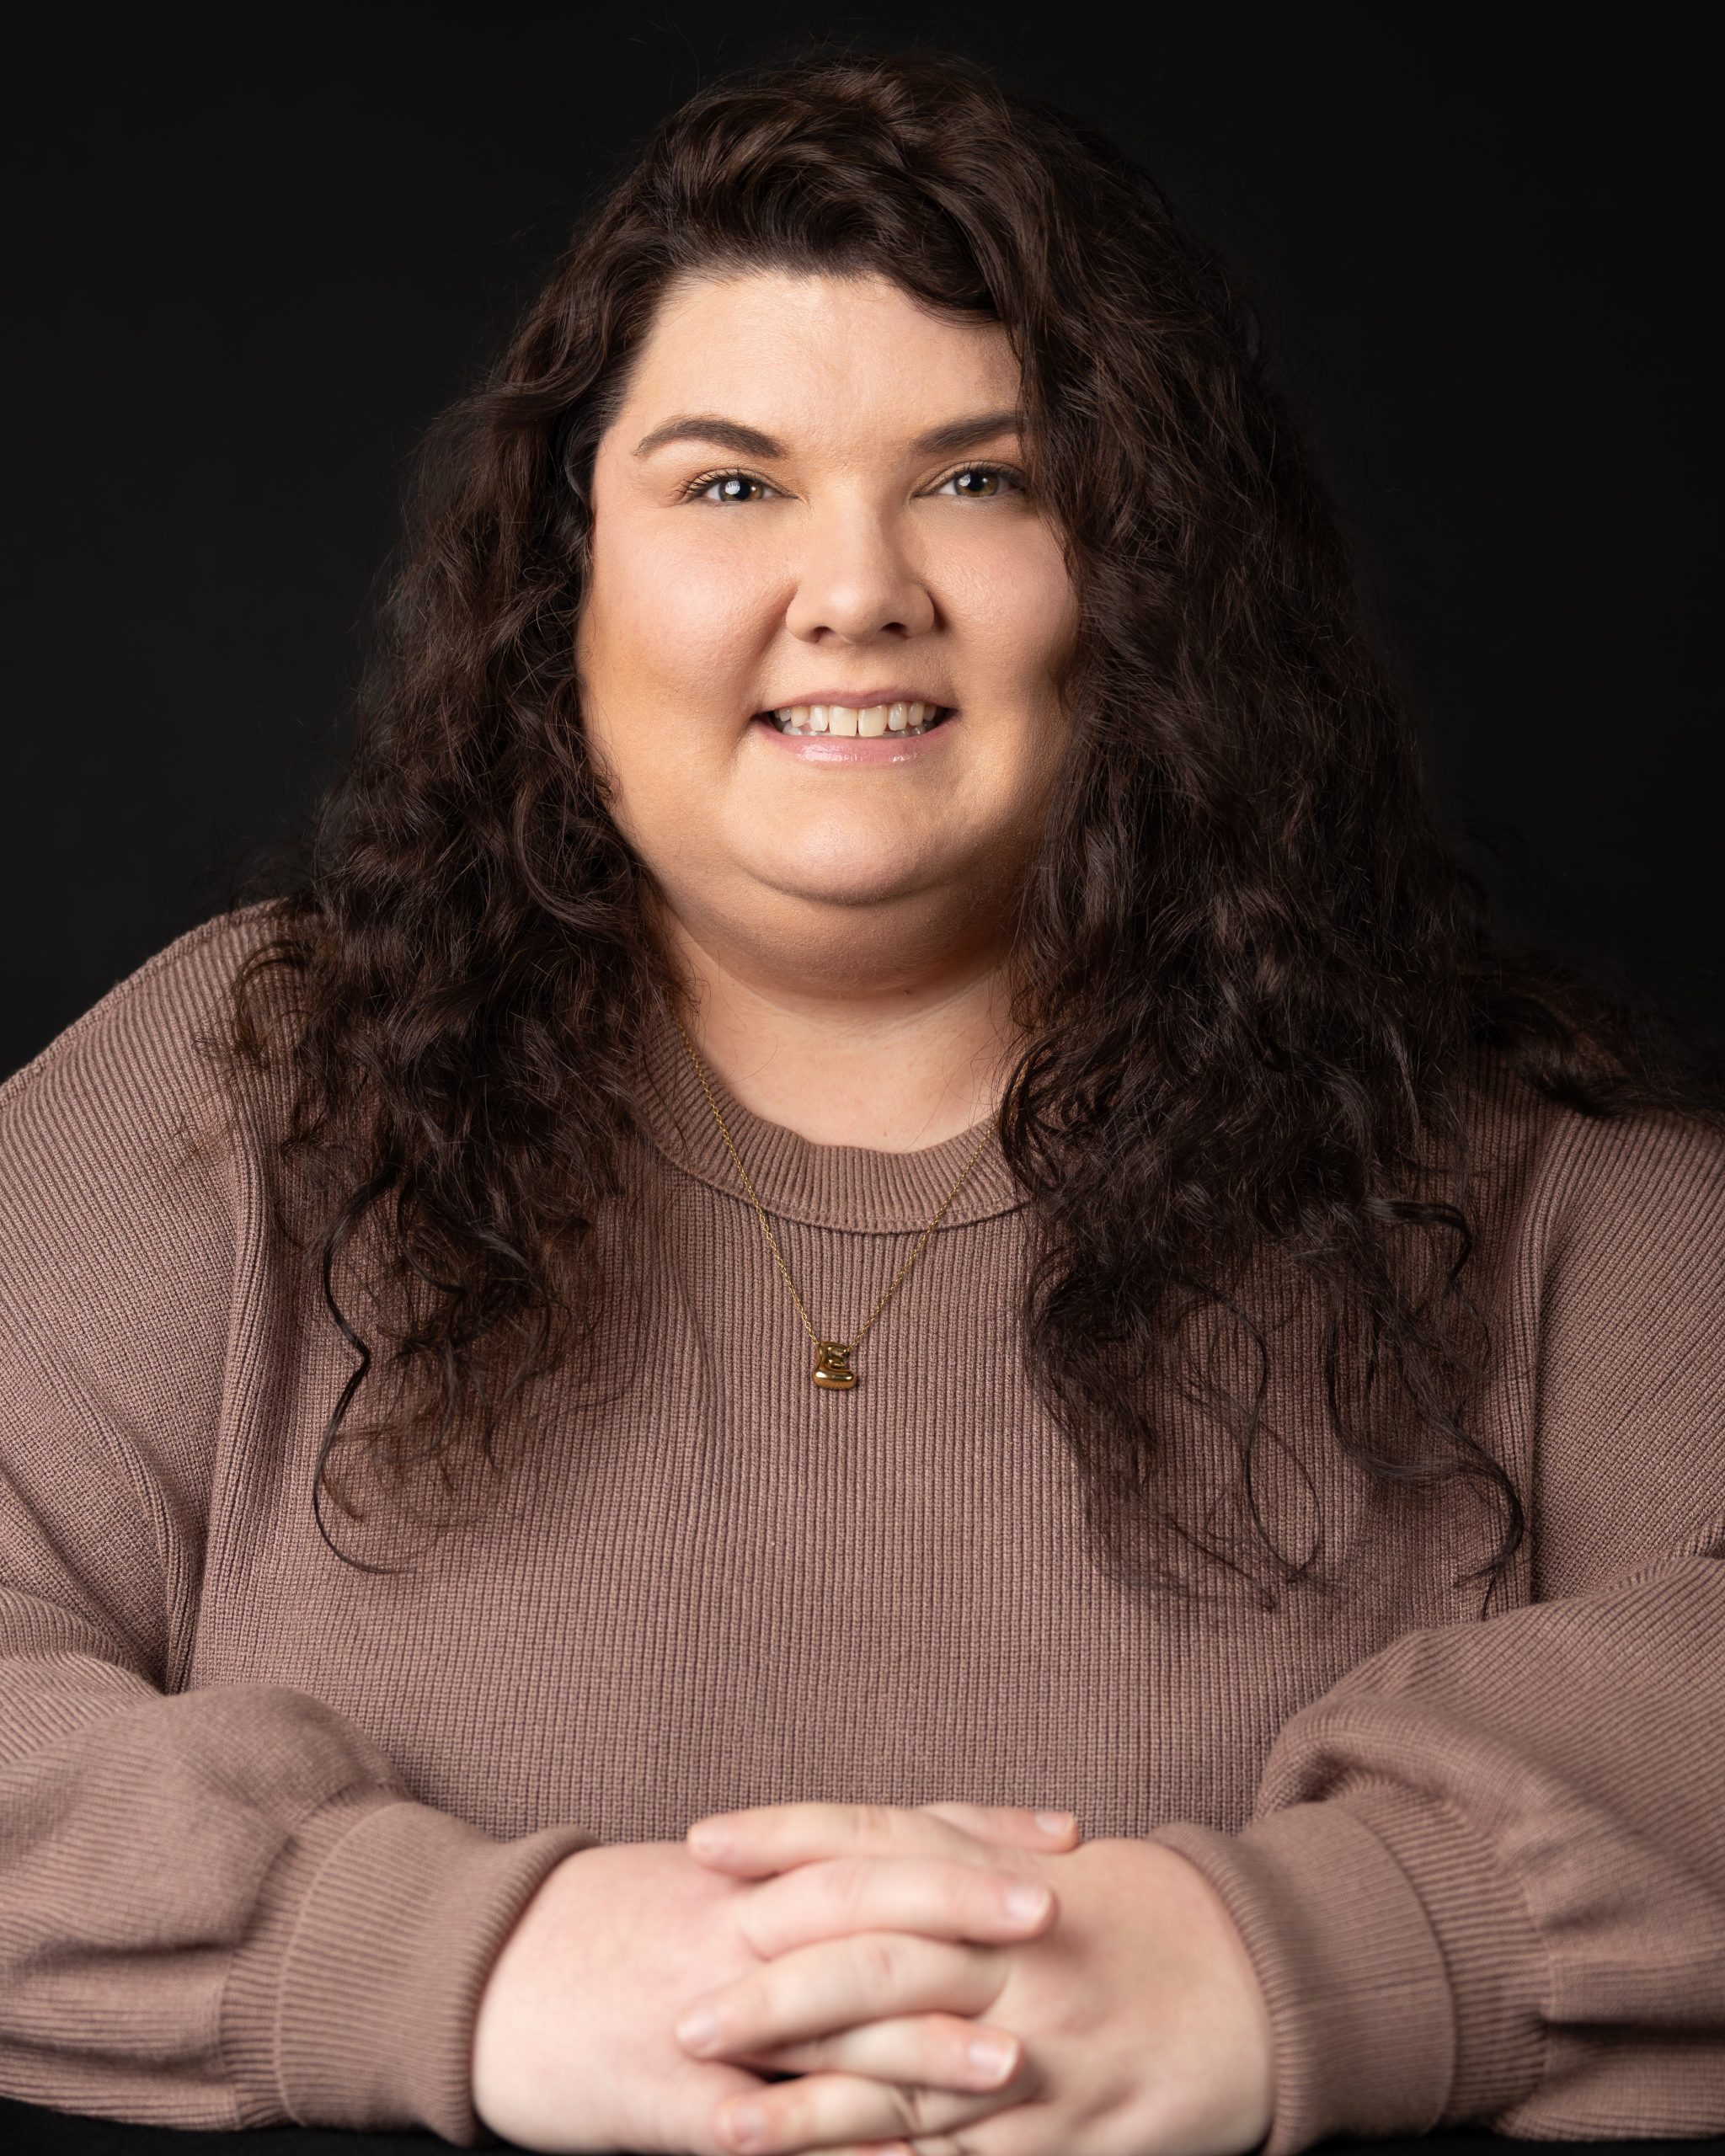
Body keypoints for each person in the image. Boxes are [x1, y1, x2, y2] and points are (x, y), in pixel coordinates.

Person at [2, 42, 1721, 2156]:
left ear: (1148, 578)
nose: (857, 589)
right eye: (731, 486)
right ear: (563, 589)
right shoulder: (238, 1093)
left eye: (982, 480)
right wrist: (456, 1961)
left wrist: (1296, 1958)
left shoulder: (1511, 1170)